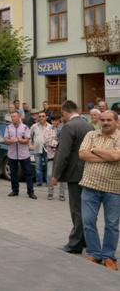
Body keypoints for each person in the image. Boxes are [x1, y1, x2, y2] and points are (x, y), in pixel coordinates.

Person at [78, 110, 120, 270]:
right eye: (102, 120)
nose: (105, 123)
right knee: (88, 221)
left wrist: (94, 150)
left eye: (109, 119)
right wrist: (108, 156)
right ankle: (95, 254)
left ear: (116, 121)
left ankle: (109, 257)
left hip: (114, 187)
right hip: (90, 185)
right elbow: (82, 154)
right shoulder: (91, 135)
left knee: (112, 223)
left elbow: (117, 157)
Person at [52, 100, 94, 255]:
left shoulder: (69, 126)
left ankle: (75, 244)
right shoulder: (87, 125)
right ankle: (85, 240)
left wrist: (56, 174)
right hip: (87, 171)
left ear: (64, 112)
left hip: (75, 174)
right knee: (87, 208)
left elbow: (64, 153)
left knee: (76, 209)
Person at [4, 111, 36, 199]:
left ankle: (30, 192)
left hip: (24, 154)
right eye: (11, 117)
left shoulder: (25, 127)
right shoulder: (8, 127)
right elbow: (5, 140)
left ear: (19, 117)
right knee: (13, 173)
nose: (12, 118)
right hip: (12, 154)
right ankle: (15, 190)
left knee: (28, 173)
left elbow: (27, 140)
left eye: (14, 116)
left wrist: (19, 140)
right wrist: (11, 141)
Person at [45, 114, 67, 200]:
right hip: (51, 155)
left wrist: (56, 142)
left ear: (59, 120)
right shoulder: (48, 129)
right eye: (52, 120)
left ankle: (62, 193)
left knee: (63, 175)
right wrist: (58, 143)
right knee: (49, 174)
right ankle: (50, 191)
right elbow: (47, 141)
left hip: (62, 155)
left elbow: (67, 140)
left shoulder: (64, 128)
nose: (54, 122)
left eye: (55, 120)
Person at [29, 111, 50, 186]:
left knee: (48, 166)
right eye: (40, 116)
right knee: (38, 166)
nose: (41, 118)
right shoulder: (34, 126)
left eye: (43, 116)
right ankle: (39, 181)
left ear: (46, 117)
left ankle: (48, 182)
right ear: (38, 117)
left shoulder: (50, 126)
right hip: (37, 149)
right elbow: (29, 136)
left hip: (47, 150)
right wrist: (30, 144)